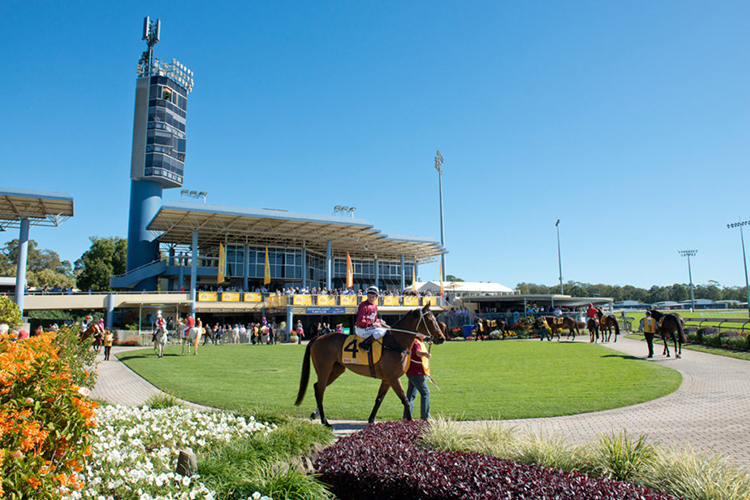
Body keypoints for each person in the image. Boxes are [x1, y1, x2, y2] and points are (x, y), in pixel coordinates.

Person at [403, 331, 432, 420]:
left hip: (413, 372)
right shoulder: (415, 342)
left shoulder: (418, 341)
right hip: (416, 372)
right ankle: (424, 417)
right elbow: (417, 352)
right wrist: (425, 354)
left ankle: (406, 417)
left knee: (411, 395)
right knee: (425, 393)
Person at [356, 286, 389, 352]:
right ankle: (364, 344)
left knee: (386, 329)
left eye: (373, 297)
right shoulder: (363, 305)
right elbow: (360, 322)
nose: (371, 298)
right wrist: (372, 324)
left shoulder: (374, 306)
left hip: (368, 328)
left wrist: (379, 321)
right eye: (369, 296)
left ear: (376, 297)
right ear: (367, 295)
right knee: (382, 331)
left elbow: (374, 319)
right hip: (362, 329)